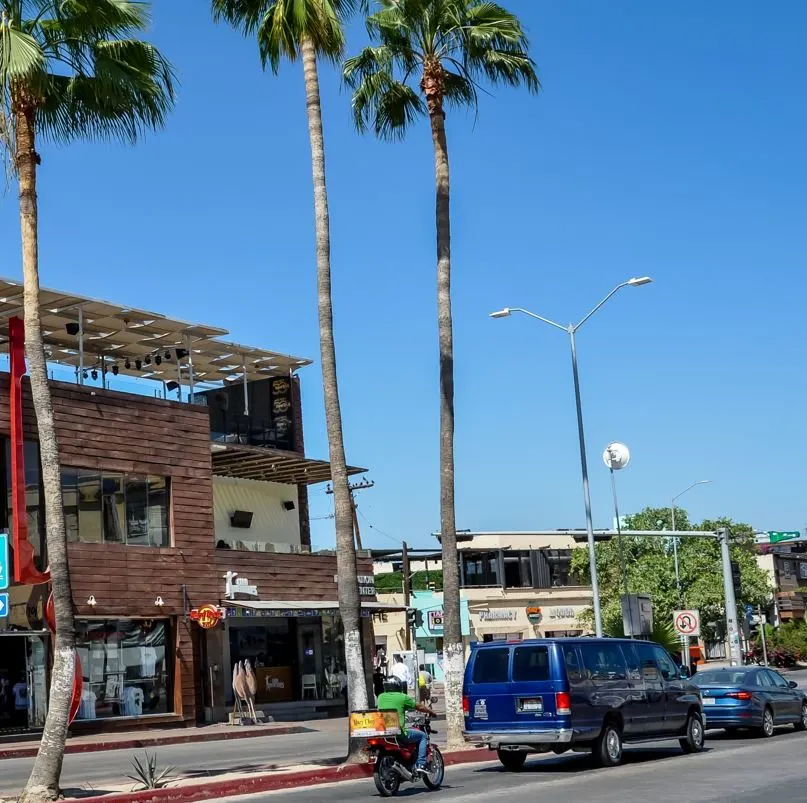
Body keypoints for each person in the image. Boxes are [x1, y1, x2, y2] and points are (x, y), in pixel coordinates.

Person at [376, 679, 435, 775]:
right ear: (398, 686)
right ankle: (421, 764)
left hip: (384, 732)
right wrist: (430, 711)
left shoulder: (380, 697)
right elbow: (419, 707)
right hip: (399, 733)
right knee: (422, 736)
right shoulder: (402, 697)